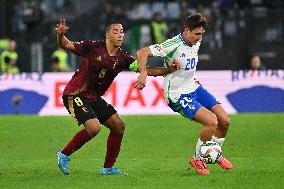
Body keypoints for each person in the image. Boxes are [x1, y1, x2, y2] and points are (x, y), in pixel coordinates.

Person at [55, 18, 180, 175]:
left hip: (93, 97)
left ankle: (108, 168)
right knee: (94, 128)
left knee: (118, 126)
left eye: (122, 32)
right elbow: (65, 45)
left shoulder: (123, 58)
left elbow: (145, 68)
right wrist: (60, 35)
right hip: (75, 93)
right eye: (116, 32)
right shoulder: (93, 47)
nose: (120, 35)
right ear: (107, 35)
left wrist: (168, 70)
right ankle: (63, 154)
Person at [136, 13, 233, 175]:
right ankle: (197, 158)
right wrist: (143, 74)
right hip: (177, 93)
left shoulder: (197, 40)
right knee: (211, 122)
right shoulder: (172, 44)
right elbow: (141, 52)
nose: (199, 37)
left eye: (201, 34)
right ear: (186, 30)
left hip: (193, 86)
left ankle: (213, 153)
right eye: (196, 34)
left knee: (225, 121)